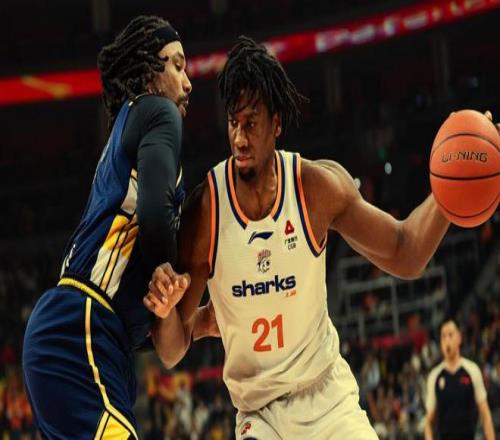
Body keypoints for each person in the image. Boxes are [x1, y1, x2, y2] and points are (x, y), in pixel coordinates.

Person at [144, 37, 494, 439]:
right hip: (260, 414)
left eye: (251, 123)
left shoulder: (315, 188)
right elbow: (171, 349)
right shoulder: (207, 210)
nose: (239, 138)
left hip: (328, 398)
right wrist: (166, 312)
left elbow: (406, 252)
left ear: (276, 124)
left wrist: (451, 190)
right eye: (233, 123)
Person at [22, 15, 192, 439]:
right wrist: (168, 272)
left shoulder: (127, 130)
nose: (188, 82)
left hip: (88, 338)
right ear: (150, 73)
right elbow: (154, 214)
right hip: (81, 328)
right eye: (177, 65)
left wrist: (187, 320)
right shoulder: (158, 112)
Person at [425, 318, 495, 440]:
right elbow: (428, 422)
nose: (447, 340)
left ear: (459, 338)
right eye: (443, 337)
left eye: (450, 335)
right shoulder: (434, 376)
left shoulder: (472, 370)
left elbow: (485, 414)